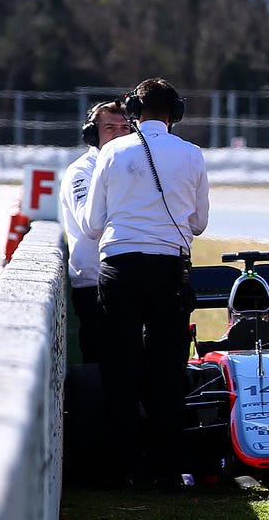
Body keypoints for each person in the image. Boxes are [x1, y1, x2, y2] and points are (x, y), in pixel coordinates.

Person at [79, 77, 210, 491]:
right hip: (170, 270)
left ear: (134, 111)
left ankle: (123, 468)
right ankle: (166, 469)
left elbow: (91, 224)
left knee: (121, 367)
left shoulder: (112, 152)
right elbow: (199, 223)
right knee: (167, 370)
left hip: (119, 267)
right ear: (176, 113)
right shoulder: (192, 154)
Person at [59, 99, 131, 363]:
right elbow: (91, 225)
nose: (119, 134)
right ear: (92, 134)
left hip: (128, 280)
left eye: (125, 128)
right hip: (94, 284)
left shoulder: (132, 168)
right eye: (110, 128)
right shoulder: (81, 172)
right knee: (101, 364)